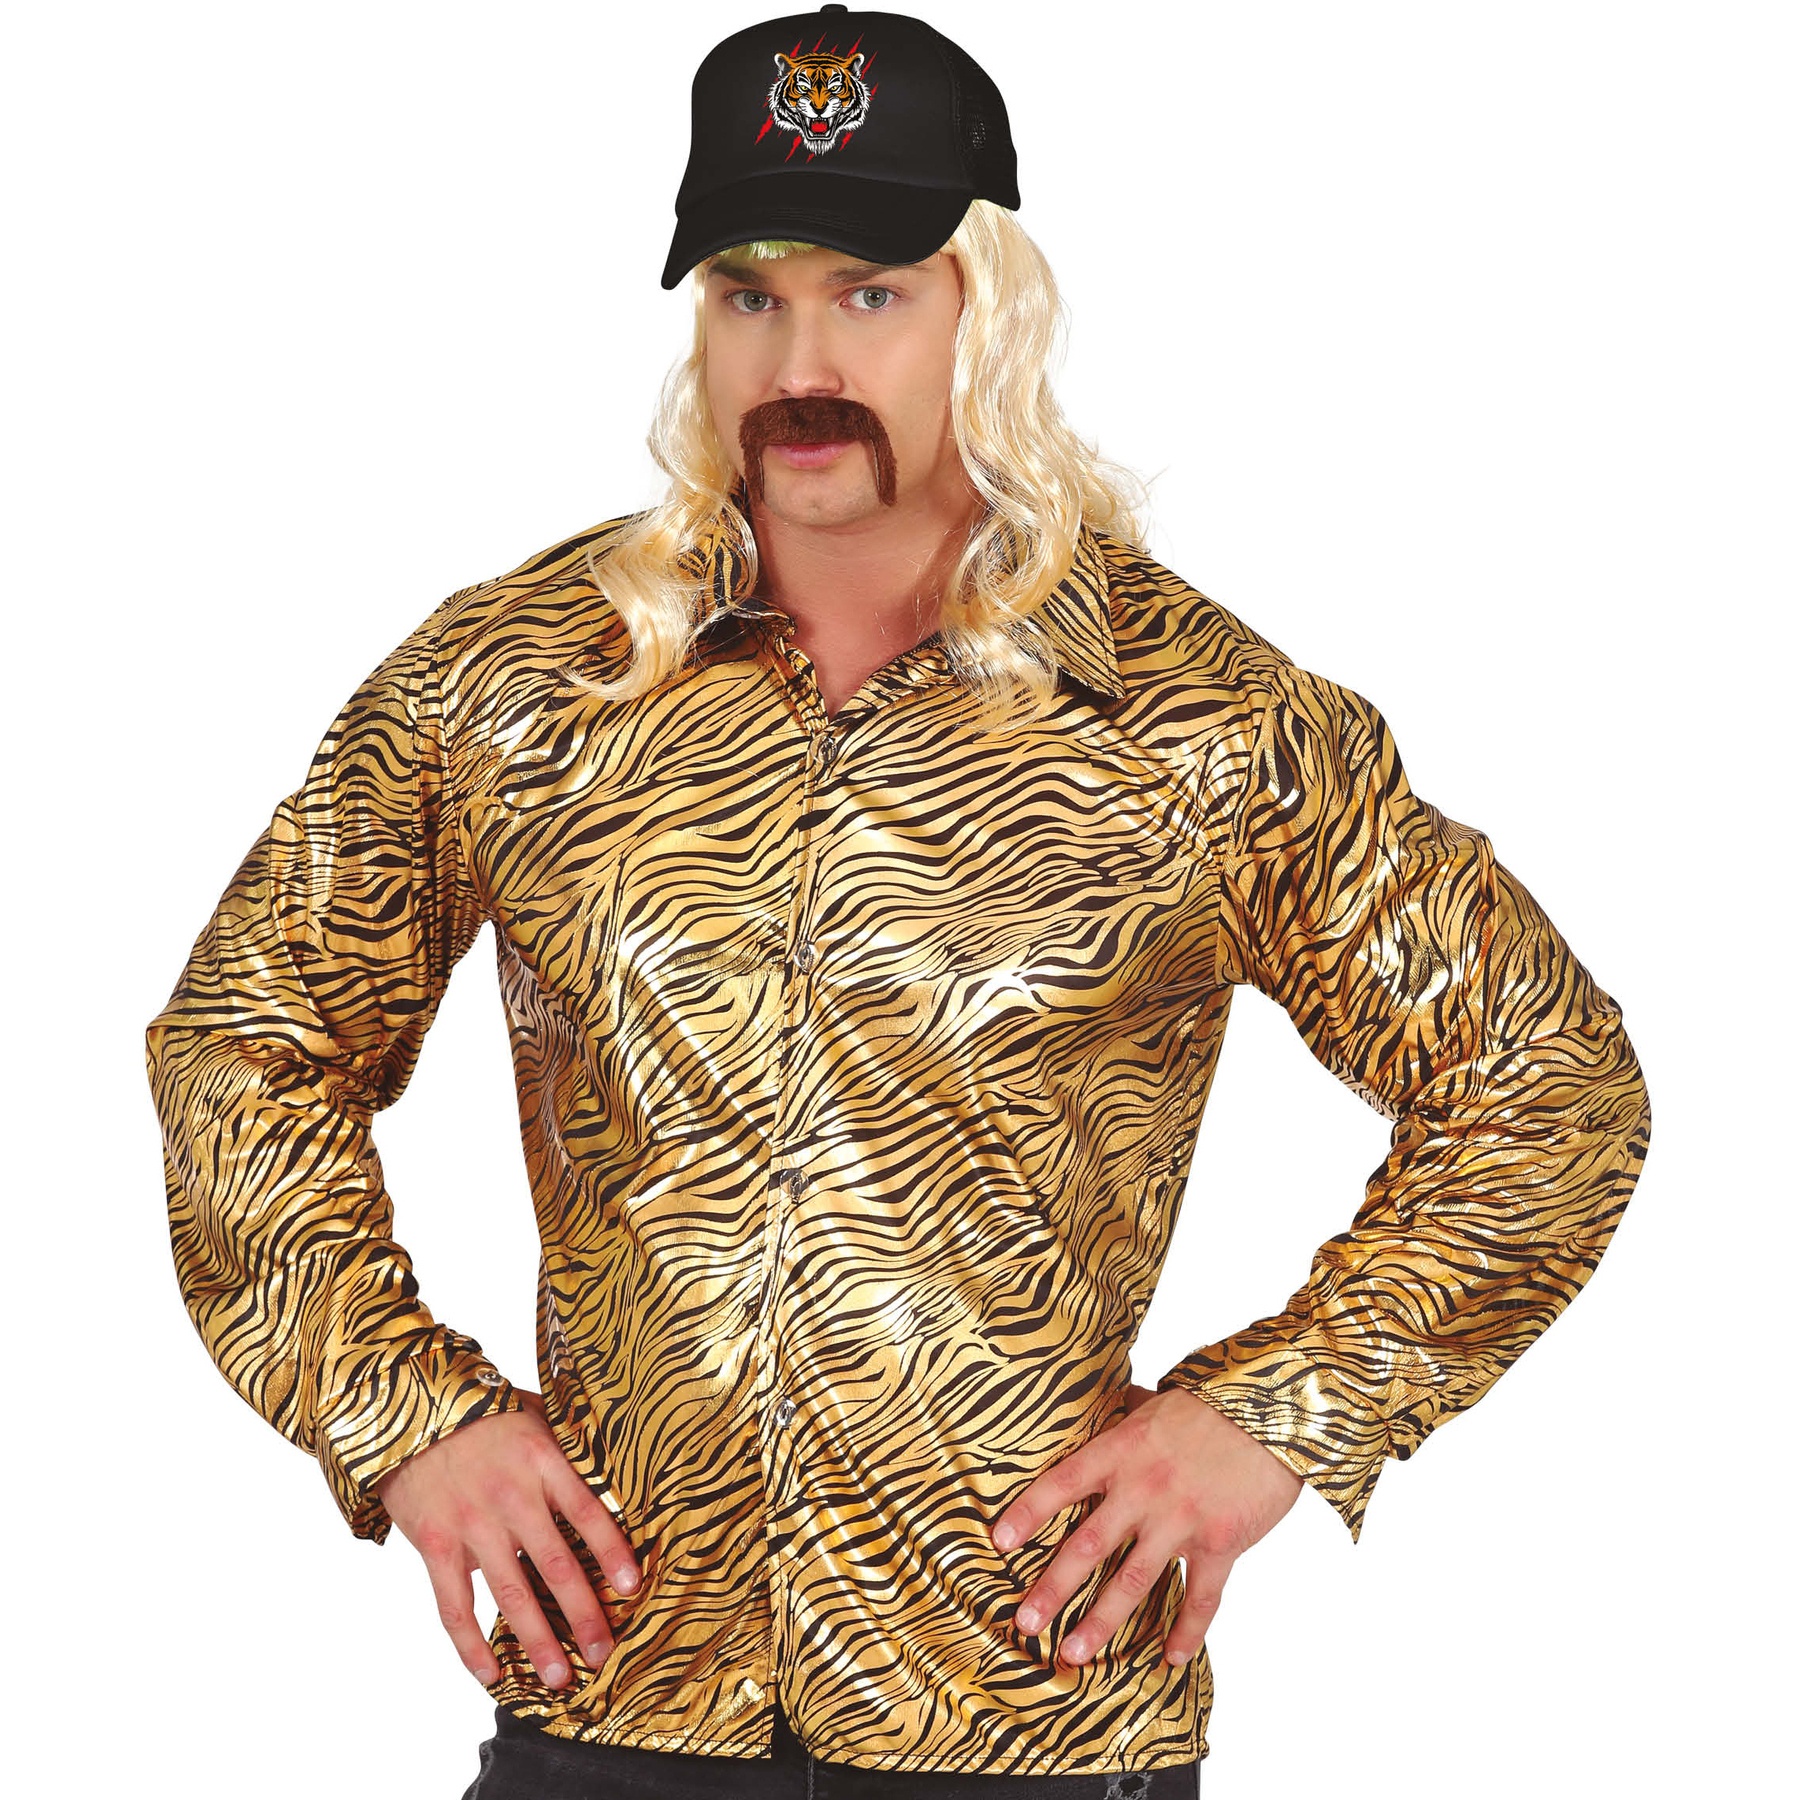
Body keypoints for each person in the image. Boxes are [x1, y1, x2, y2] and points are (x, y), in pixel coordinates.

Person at [144, 6, 1651, 1796]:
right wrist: (405, 1418)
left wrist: (1276, 1417)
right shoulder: (524, 682)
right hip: (617, 1702)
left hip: (1027, 1705)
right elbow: (244, 1044)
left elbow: (1547, 1084)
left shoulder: (1197, 723)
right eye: (748, 294)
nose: (800, 361)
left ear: (984, 315)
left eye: (871, 292)